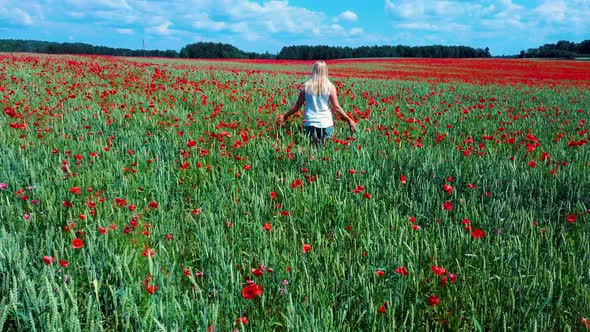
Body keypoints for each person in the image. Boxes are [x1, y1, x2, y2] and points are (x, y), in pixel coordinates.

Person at [277, 61, 357, 146]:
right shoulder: (330, 87)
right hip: (326, 123)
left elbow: (297, 106)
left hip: (310, 123)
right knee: (326, 151)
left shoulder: (306, 86)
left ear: (314, 70)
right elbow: (337, 107)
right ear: (326, 71)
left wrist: (285, 116)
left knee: (313, 151)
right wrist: (349, 120)